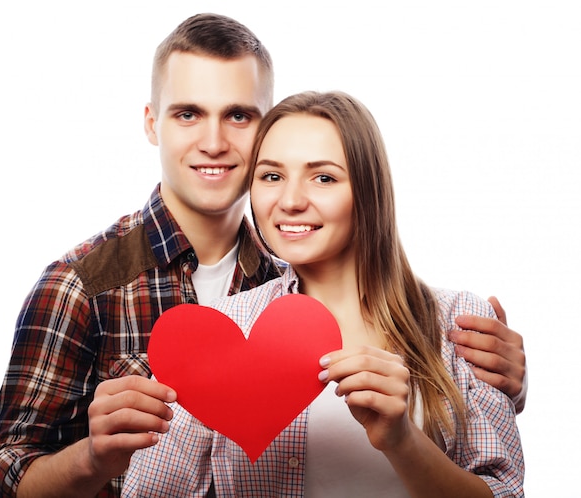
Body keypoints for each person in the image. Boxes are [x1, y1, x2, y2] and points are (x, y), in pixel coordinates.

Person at [0, 13, 526, 498]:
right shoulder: (82, 284)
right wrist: (92, 460)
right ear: (151, 123)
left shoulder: (295, 266)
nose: (214, 141)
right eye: (188, 113)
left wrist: (497, 384)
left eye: (238, 115)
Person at [122, 91, 523, 497]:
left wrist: (402, 441)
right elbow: (149, 491)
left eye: (324, 177)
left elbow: (506, 491)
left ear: (368, 190)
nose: (291, 202)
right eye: (271, 176)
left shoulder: (458, 321)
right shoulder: (225, 327)